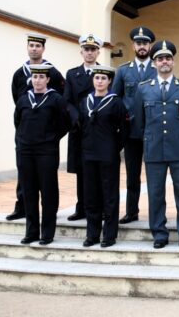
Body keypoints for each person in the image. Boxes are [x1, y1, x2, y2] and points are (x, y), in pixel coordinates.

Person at [132, 40, 179, 249]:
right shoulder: (143, 89)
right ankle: (159, 234)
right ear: (154, 63)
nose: (164, 62)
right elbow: (139, 122)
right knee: (156, 193)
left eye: (168, 58)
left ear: (173, 61)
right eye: (160, 58)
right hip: (154, 148)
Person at [8, 33, 65, 221]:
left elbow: (60, 102)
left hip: (45, 136)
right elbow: (17, 101)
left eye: (37, 46)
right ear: (27, 48)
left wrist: (52, 133)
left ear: (43, 49)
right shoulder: (19, 73)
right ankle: (21, 206)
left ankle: (47, 219)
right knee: (24, 172)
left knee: (45, 178)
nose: (34, 49)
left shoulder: (53, 73)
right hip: (25, 131)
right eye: (31, 45)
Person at [14, 64, 70, 245]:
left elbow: (65, 122)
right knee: (29, 192)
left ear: (47, 80)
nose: (37, 80)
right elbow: (18, 121)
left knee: (48, 192)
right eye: (35, 77)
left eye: (41, 77)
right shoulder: (24, 99)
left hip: (46, 151)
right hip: (26, 151)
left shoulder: (55, 99)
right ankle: (31, 232)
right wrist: (24, 138)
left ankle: (47, 233)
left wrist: (51, 138)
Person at [112, 26, 157, 224]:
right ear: (133, 45)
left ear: (150, 45)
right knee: (132, 174)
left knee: (155, 174)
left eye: (145, 43)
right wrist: (124, 117)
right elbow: (116, 97)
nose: (142, 47)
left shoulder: (157, 69)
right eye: (139, 43)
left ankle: (156, 213)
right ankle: (132, 211)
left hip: (153, 130)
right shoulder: (123, 70)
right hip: (131, 131)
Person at [79, 65, 127, 247]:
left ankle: (109, 235)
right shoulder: (85, 102)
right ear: (93, 80)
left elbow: (124, 129)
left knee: (109, 195)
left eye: (103, 79)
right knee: (91, 195)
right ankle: (92, 234)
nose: (99, 81)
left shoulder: (115, 102)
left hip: (108, 155)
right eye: (97, 78)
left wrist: (114, 147)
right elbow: (80, 128)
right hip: (89, 154)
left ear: (109, 82)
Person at [63, 33, 102, 222]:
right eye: (86, 49)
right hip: (79, 128)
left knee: (99, 169)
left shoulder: (104, 73)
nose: (89, 53)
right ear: (81, 52)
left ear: (98, 52)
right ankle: (82, 207)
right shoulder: (72, 74)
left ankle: (99, 207)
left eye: (93, 49)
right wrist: (75, 117)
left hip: (98, 129)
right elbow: (67, 100)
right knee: (81, 170)